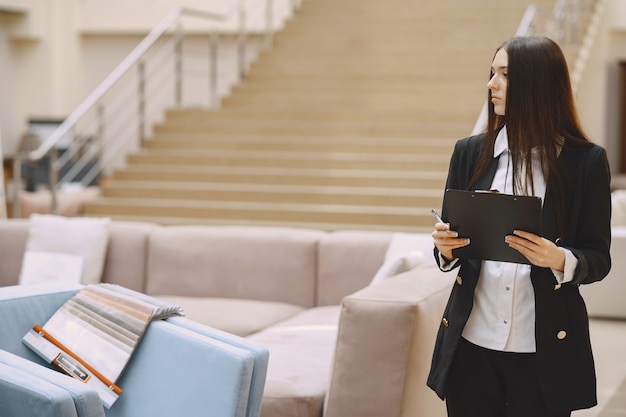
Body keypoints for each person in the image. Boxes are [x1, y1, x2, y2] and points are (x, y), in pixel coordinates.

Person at [426, 36, 612, 417]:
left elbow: (599, 257)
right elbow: (450, 246)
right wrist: (445, 248)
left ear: (538, 84)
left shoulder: (586, 163)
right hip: (471, 347)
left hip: (543, 351)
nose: (491, 84)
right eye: (492, 73)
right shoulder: (469, 152)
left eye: (504, 75)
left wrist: (558, 258)